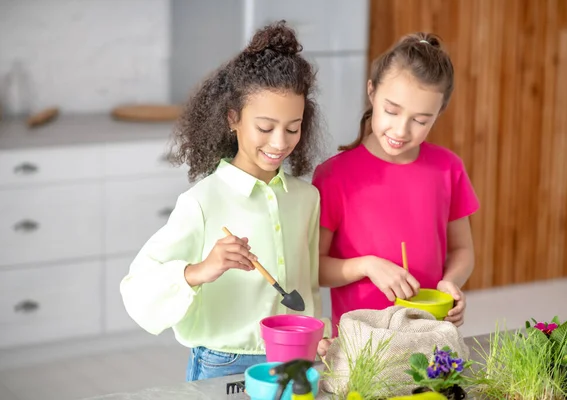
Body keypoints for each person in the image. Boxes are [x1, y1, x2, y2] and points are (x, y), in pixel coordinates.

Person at [120, 21, 331, 381]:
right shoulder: (201, 203)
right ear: (233, 118)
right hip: (224, 363)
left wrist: (316, 332)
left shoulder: (306, 198)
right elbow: (136, 288)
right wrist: (201, 270)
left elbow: (307, 286)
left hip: (296, 358)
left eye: (292, 128)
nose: (280, 142)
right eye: (265, 128)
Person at [313, 32, 480, 336]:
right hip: (361, 344)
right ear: (371, 92)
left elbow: (462, 250)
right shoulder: (333, 176)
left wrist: (450, 282)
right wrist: (366, 266)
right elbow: (315, 268)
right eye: (392, 110)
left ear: (438, 114)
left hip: (428, 336)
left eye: (420, 120)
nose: (401, 130)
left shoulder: (448, 168)